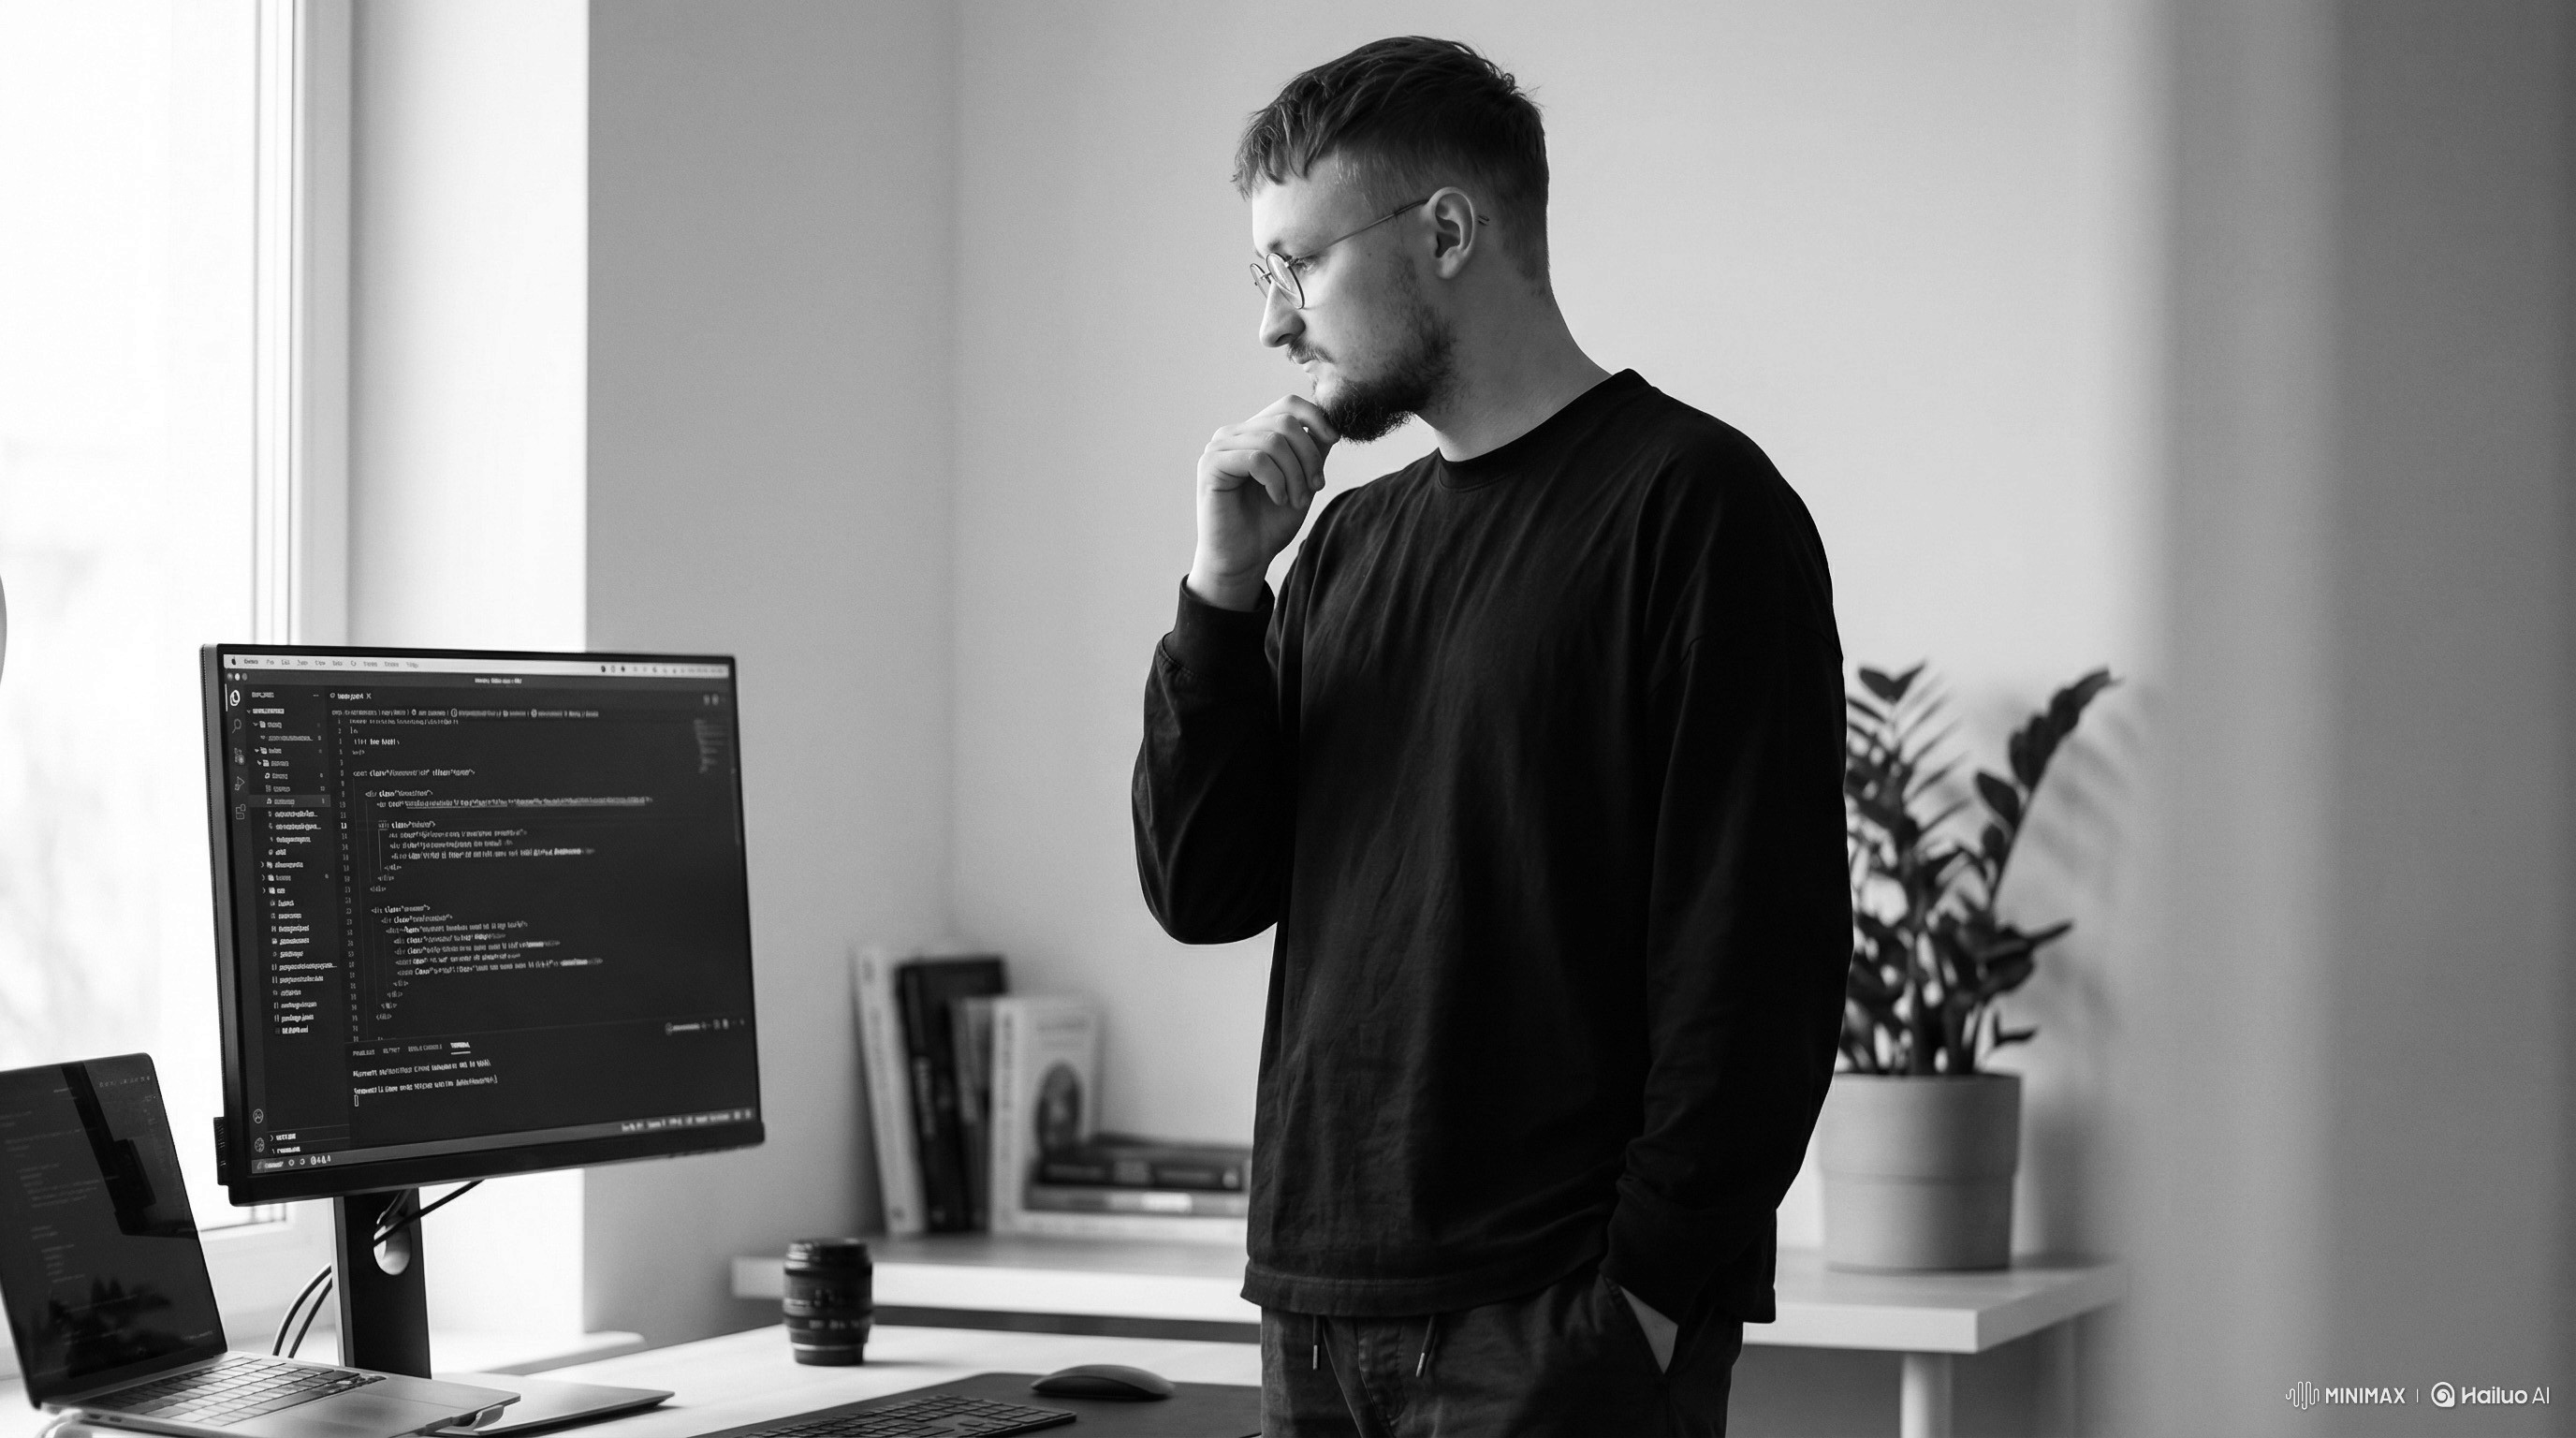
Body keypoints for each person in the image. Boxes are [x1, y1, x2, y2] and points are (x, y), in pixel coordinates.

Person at [1131, 36, 1850, 1438]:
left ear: (1447, 231)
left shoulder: (1696, 509)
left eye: (1298, 268)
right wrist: (1223, 596)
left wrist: (1640, 1298)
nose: (1275, 324)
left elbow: (1759, 956)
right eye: (1262, 278)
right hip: (1316, 1308)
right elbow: (1203, 888)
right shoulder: (1340, 546)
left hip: (1554, 1327)